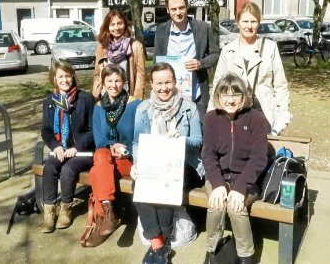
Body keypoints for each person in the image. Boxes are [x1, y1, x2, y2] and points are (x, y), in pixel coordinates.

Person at [131, 62, 204, 264]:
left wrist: (181, 138)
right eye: (159, 83)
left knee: (166, 181)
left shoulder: (189, 107)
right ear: (152, 85)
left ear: (175, 82)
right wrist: (136, 164)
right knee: (140, 184)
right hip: (153, 161)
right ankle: (158, 244)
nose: (164, 88)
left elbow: (198, 141)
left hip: (185, 164)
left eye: (168, 82)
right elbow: (137, 141)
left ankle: (160, 243)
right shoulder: (143, 109)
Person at [202, 73, 270, 264]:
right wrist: (217, 184)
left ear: (244, 96)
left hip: (248, 180)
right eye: (225, 94)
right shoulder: (210, 118)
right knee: (216, 205)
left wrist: (240, 189)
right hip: (218, 177)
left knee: (235, 207)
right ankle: (212, 252)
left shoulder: (256, 119)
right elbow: (208, 155)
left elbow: (258, 159)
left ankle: (246, 257)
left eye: (235, 94)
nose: (230, 100)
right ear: (218, 96)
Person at [210, 2, 291, 135]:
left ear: (259, 23)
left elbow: (280, 85)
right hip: (233, 114)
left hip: (263, 115)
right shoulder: (228, 51)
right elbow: (217, 87)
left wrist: (283, 117)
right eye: (245, 21)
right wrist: (212, 117)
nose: (249, 26)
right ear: (238, 22)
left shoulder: (270, 48)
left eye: (253, 21)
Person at [88, 64, 141, 242]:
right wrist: (112, 146)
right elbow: (99, 139)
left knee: (97, 171)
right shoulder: (98, 107)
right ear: (103, 83)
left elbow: (142, 138)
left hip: (129, 160)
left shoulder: (135, 105)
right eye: (109, 80)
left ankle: (103, 217)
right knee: (101, 157)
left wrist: (125, 150)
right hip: (107, 158)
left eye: (118, 80)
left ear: (124, 82)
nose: (113, 85)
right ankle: (108, 210)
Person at [41, 61, 95, 233]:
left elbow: (94, 130)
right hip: (61, 149)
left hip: (83, 151)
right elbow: (46, 130)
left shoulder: (85, 99)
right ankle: (49, 211)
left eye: (67, 76)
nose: (64, 80)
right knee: (49, 167)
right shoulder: (50, 101)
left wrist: (77, 147)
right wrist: (55, 146)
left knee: (68, 170)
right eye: (60, 77)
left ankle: (66, 208)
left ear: (73, 77)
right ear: (54, 79)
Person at [154, 0, 219, 122]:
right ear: (167, 10)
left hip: (197, 91)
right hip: (169, 93)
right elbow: (157, 61)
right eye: (173, 9)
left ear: (187, 7)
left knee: (199, 131)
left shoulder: (203, 28)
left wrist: (201, 63)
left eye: (181, 8)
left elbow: (215, 54)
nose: (178, 12)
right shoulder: (161, 30)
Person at [93, 9, 145, 100]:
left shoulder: (135, 46)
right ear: (107, 27)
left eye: (120, 23)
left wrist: (136, 99)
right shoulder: (102, 48)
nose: (116, 28)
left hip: (128, 97)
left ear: (125, 25)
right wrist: (96, 93)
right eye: (112, 24)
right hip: (106, 97)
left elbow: (140, 75)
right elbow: (97, 74)